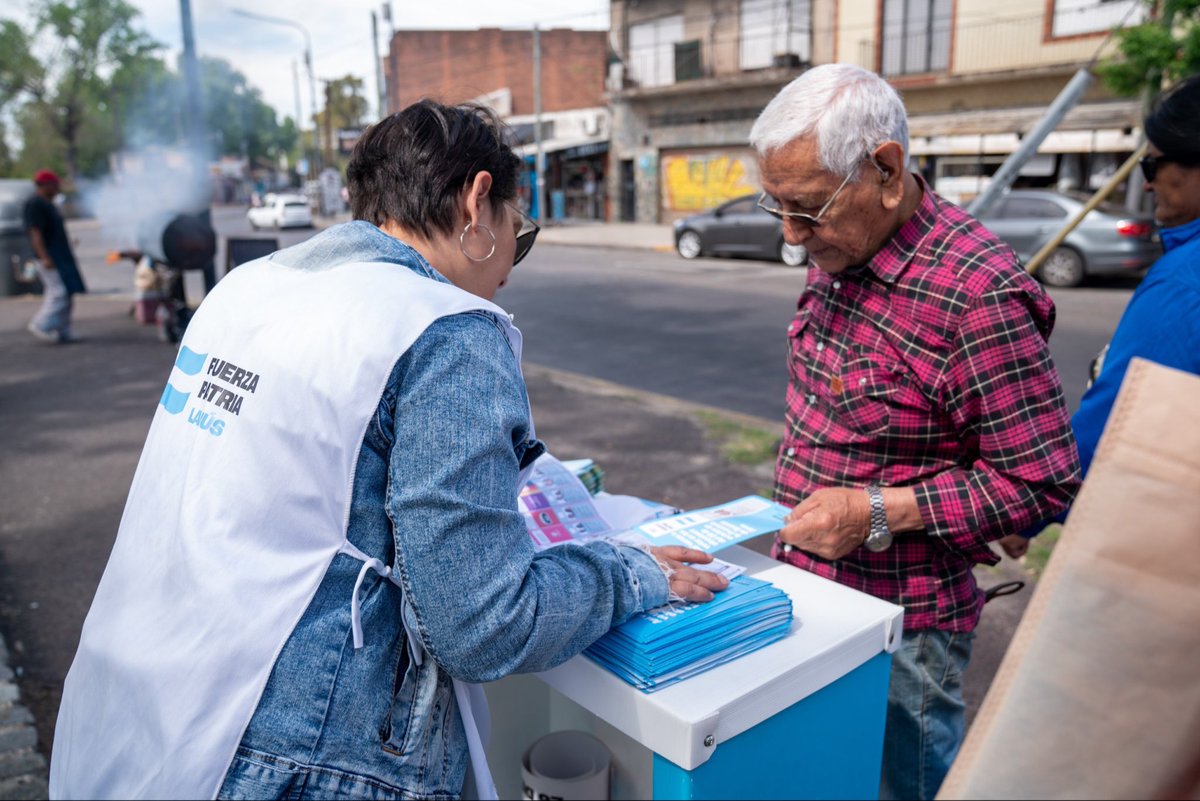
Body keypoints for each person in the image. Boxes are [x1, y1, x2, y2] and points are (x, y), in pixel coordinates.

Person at [49, 100, 727, 801]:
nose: (508, 271)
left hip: (133, 708)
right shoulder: (444, 328)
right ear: (476, 201)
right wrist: (628, 573)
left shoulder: (249, 288)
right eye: (515, 238)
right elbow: (482, 623)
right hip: (288, 753)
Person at [749, 64, 1081, 800]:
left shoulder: (979, 295)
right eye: (777, 207)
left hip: (908, 631)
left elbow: (1041, 479)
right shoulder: (844, 243)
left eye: (806, 210)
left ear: (887, 172)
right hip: (813, 589)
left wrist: (875, 511)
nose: (792, 237)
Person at [1069, 74, 1200, 479]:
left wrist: (1034, 509)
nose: (1146, 182)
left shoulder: (1184, 280)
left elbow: (1121, 412)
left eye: (1153, 164)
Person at [24, 169, 86, 343]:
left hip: (60, 255)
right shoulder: (35, 204)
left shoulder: (48, 203)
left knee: (68, 292)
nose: (57, 188)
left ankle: (62, 329)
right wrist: (44, 256)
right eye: (54, 185)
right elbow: (34, 232)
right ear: (45, 185)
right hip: (50, 257)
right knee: (58, 292)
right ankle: (41, 323)